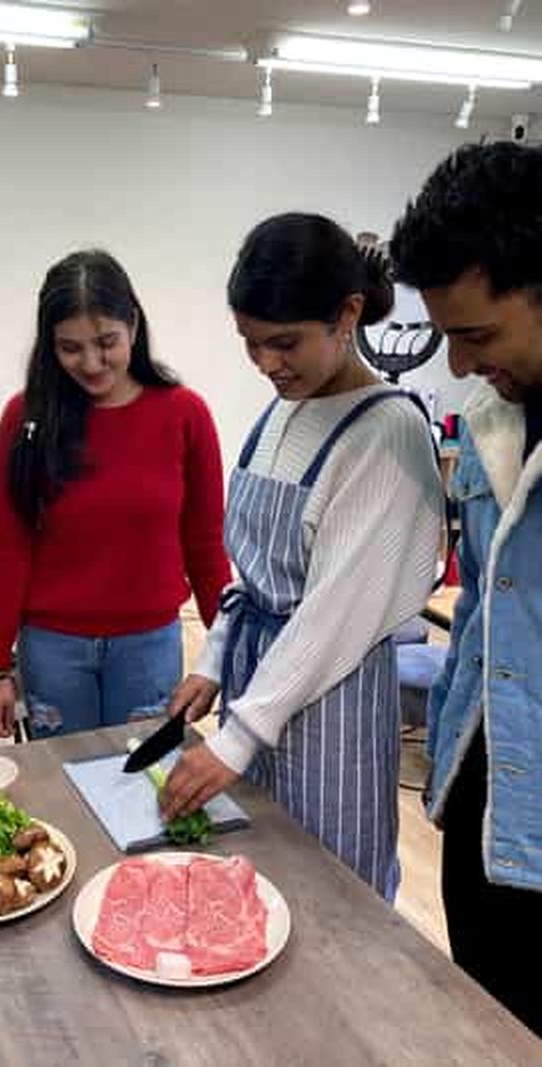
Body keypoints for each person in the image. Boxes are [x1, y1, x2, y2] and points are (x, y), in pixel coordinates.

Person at [160, 213, 443, 900]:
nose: (266, 365)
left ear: (347, 314)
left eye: (282, 343)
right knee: (259, 882)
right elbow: (256, 578)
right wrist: (215, 658)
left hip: (329, 703)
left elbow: (331, 614)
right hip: (262, 681)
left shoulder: (388, 429)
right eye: (250, 344)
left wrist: (238, 737)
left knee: (330, 892)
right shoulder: (282, 410)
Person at [390, 141, 542, 1036]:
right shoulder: (491, 422)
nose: (453, 364)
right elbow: (482, 612)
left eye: (477, 335)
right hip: (481, 818)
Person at [0, 250, 231, 739]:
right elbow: (9, 547)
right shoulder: (24, 417)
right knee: (63, 784)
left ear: (133, 327)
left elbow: (205, 543)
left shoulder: (184, 415)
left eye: (106, 342)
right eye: (70, 348)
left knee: (142, 781)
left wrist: (224, 654)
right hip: (53, 648)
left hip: (148, 643)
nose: (91, 363)